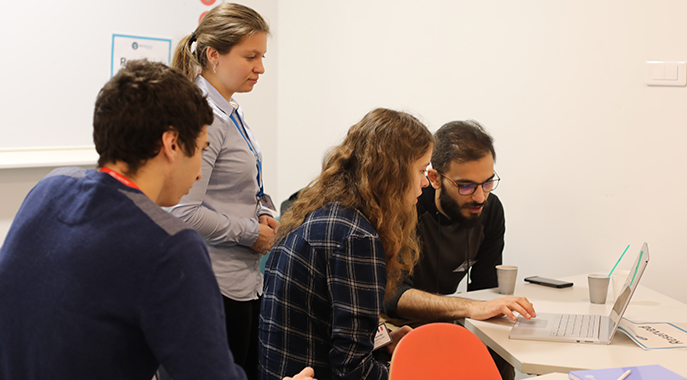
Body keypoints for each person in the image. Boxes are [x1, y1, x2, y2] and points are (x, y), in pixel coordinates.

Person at [0, 60, 314, 380]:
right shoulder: (170, 246)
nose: (199, 172)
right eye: (201, 151)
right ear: (172, 144)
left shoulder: (49, 190)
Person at [259, 108, 433, 380]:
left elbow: (333, 323)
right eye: (421, 170)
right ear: (393, 174)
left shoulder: (322, 211)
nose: (425, 182)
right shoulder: (356, 239)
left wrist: (382, 339)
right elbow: (352, 370)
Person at [168, 4, 277, 380]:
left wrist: (264, 209)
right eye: (251, 56)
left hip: (241, 280)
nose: (260, 68)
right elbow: (182, 213)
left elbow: (244, 182)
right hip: (213, 284)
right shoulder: (205, 118)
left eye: (262, 56)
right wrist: (252, 232)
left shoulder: (231, 110)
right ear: (214, 55)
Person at [382, 120, 536, 379]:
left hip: (448, 316)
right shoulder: (408, 209)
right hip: (395, 323)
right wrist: (467, 307)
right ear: (434, 178)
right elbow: (392, 296)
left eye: (487, 183)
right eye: (466, 186)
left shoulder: (491, 210)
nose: (480, 198)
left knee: (498, 359)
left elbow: (484, 288)